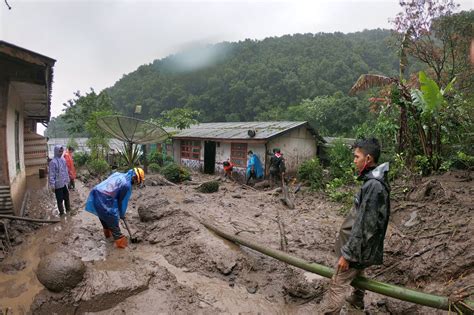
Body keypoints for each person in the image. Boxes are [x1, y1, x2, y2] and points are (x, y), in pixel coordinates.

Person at [319, 138, 390, 314]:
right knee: (359, 272)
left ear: (368, 159)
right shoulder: (373, 181)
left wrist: (347, 255)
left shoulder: (373, 186)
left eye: (356, 157)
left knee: (337, 283)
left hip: (356, 250)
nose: (354, 160)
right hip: (361, 248)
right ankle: (357, 301)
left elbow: (364, 225)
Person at [85, 167, 145, 249]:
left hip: (96, 195)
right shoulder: (126, 185)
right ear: (135, 177)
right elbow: (121, 201)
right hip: (104, 201)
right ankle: (122, 250)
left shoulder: (118, 174)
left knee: (105, 221)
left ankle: (108, 239)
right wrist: (122, 214)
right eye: (137, 181)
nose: (136, 183)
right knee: (115, 228)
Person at [48, 145, 71, 216]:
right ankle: (62, 213)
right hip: (58, 185)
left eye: (62, 151)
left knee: (67, 197)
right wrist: (52, 185)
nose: (61, 153)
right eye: (59, 151)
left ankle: (68, 210)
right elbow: (51, 174)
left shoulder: (63, 160)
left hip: (64, 183)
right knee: (59, 199)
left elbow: (65, 171)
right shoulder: (53, 162)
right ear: (56, 151)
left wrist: (68, 180)